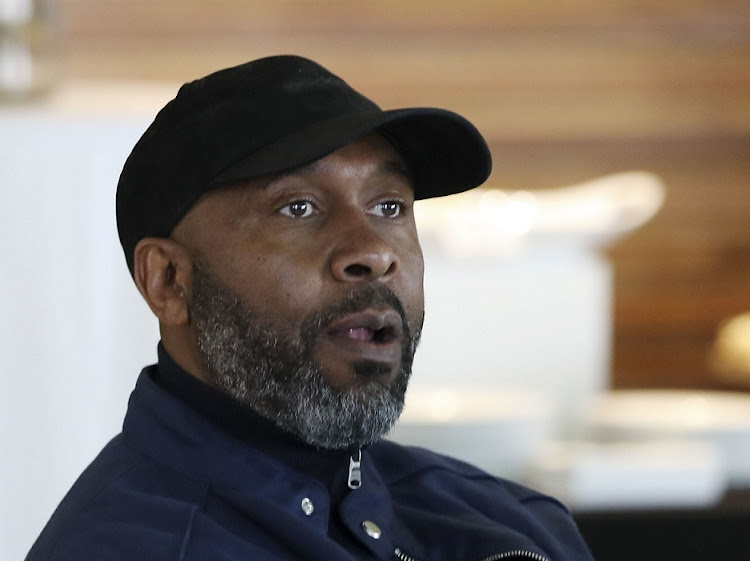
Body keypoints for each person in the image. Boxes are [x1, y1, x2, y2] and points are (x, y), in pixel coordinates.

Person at [25, 55, 593, 561]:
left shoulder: (505, 520)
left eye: (389, 205)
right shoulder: (139, 544)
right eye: (297, 208)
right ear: (170, 281)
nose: (372, 251)